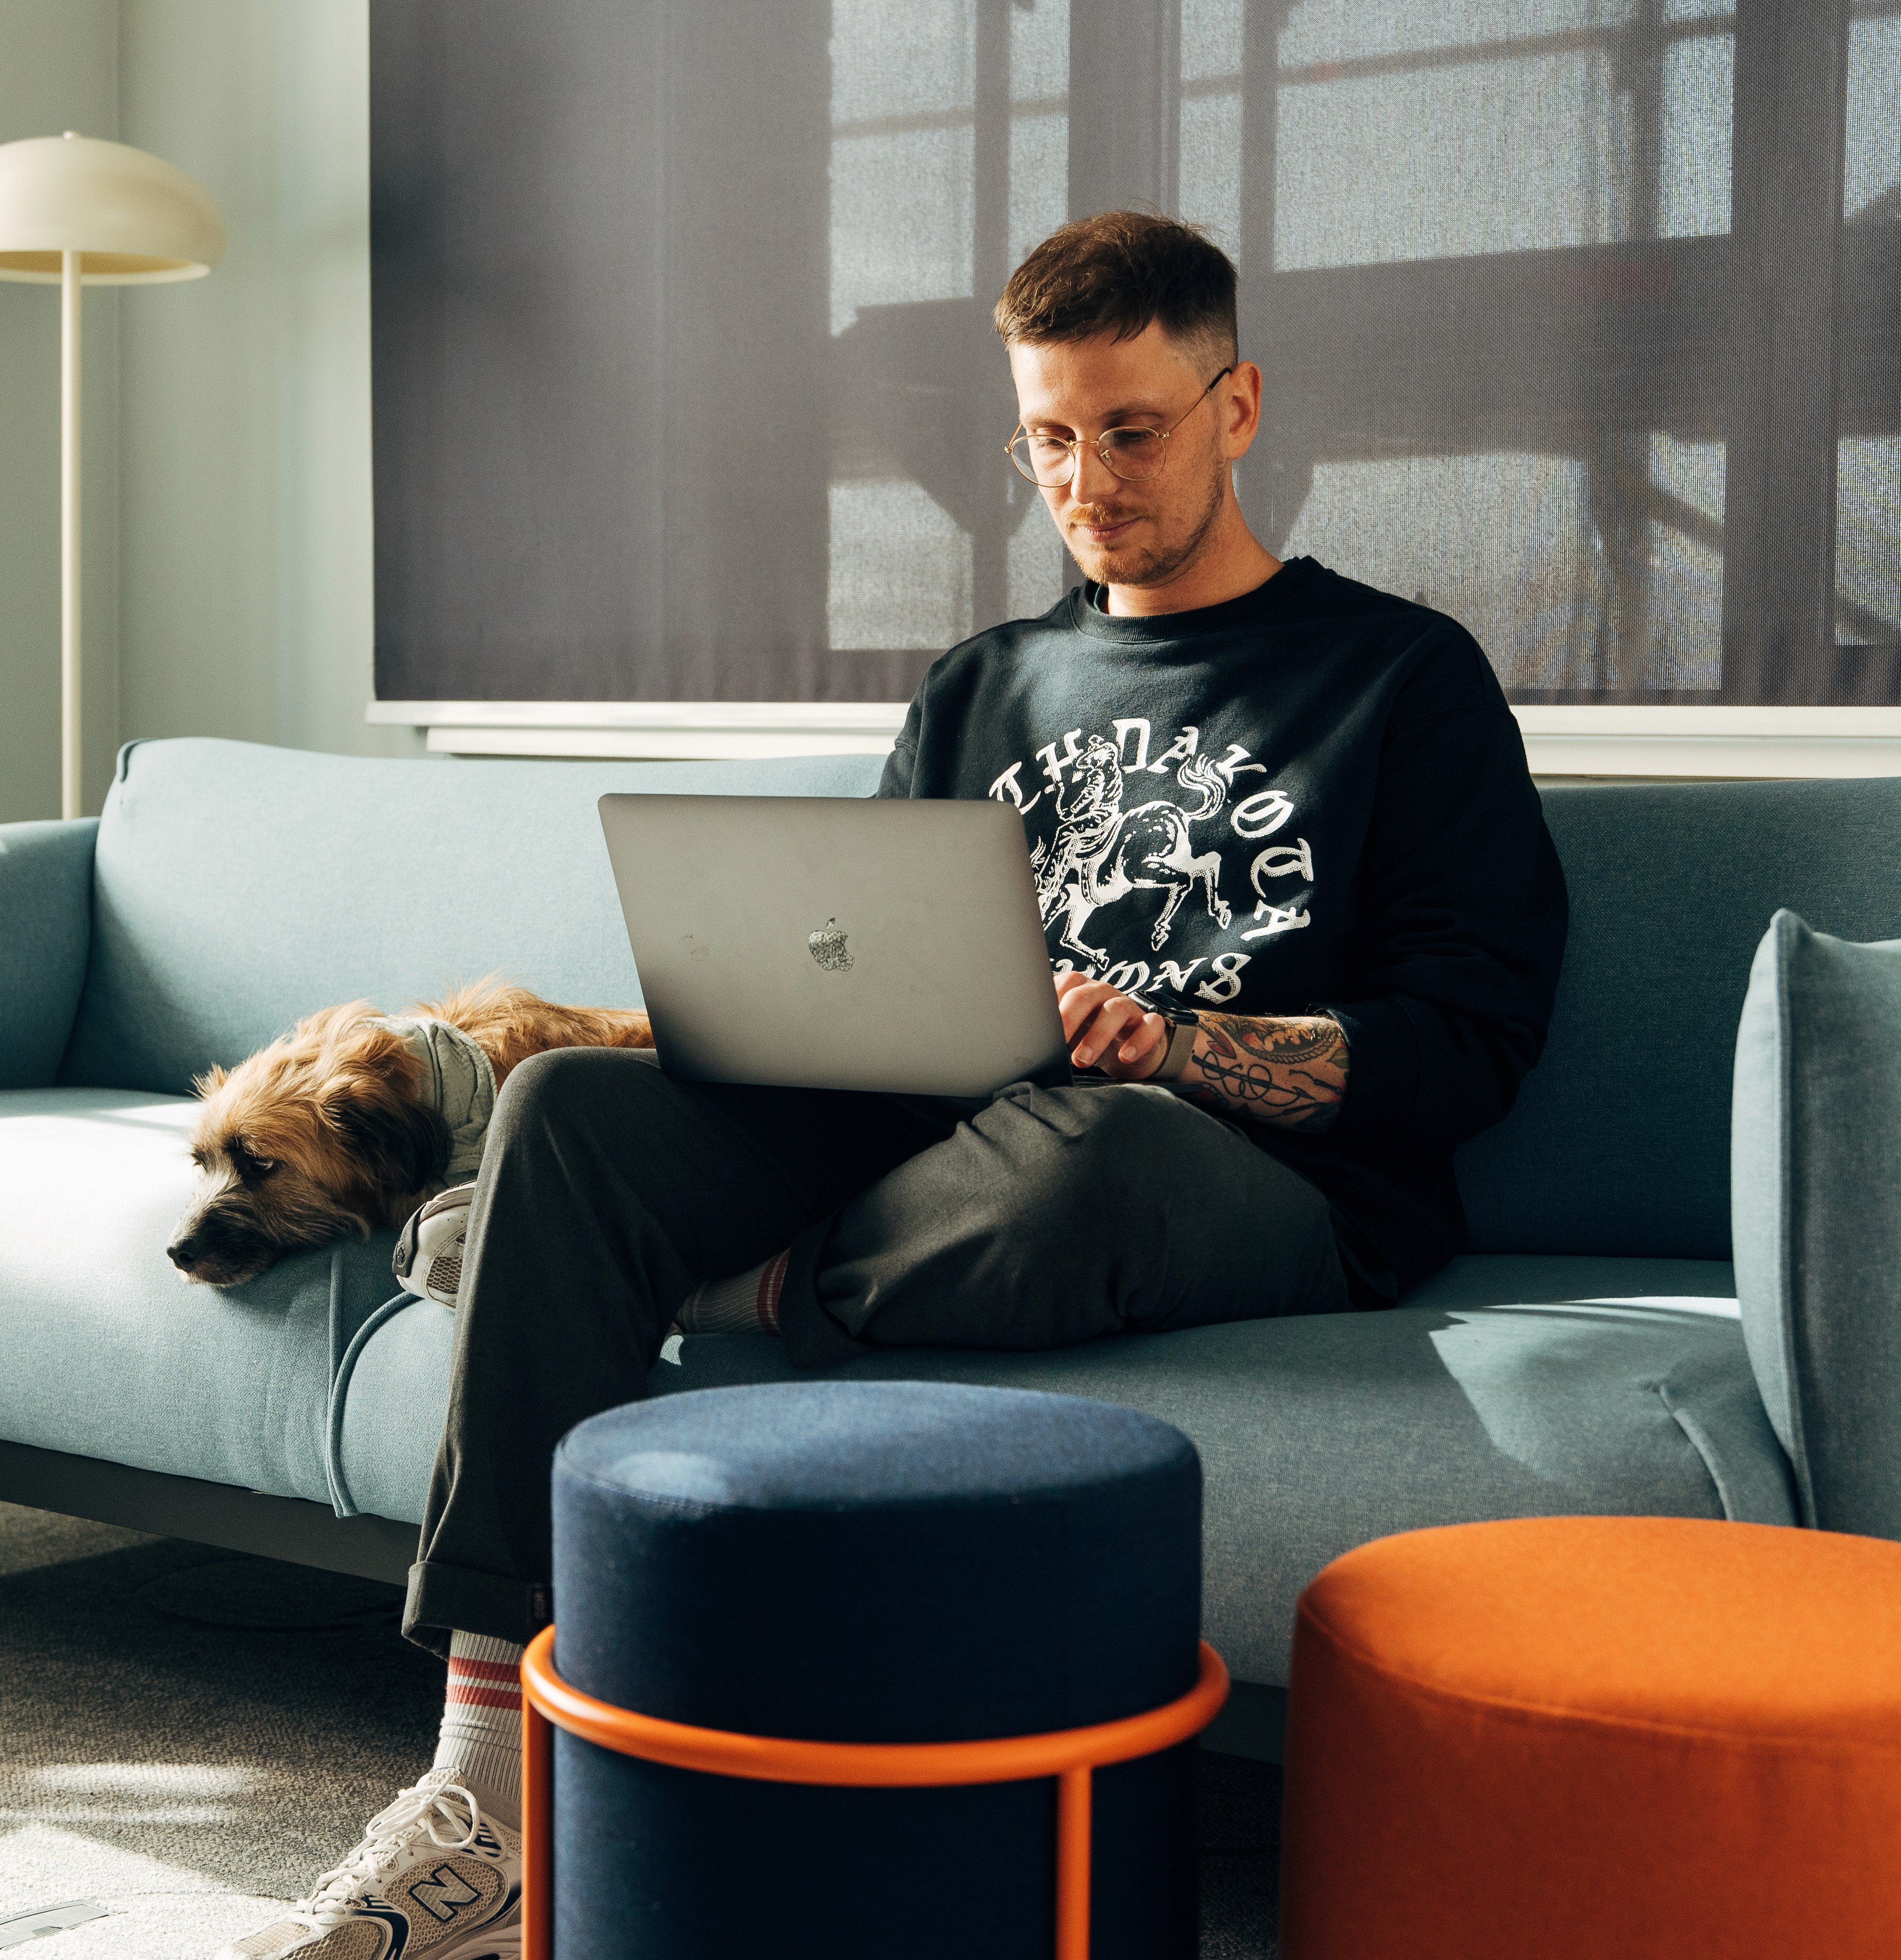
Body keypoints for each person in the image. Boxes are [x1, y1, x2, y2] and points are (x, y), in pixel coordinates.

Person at [225, 212, 1568, 1960]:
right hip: (943, 1133)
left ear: (1239, 407)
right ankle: (485, 1787)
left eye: (1135, 429)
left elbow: (1472, 1044)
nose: (1089, 480)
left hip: (1220, 1168)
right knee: (566, 1121)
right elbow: (846, 981)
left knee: (1094, 1156)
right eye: (1050, 440)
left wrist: (1170, 1039)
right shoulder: (983, 685)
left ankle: (675, 1276)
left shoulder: (1404, 679)